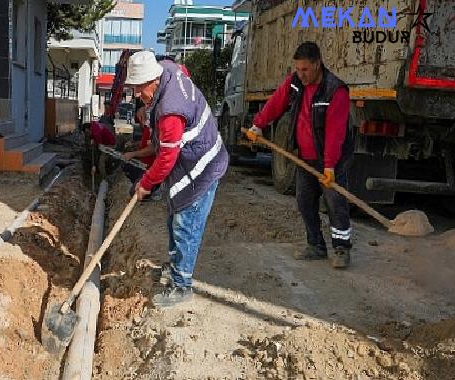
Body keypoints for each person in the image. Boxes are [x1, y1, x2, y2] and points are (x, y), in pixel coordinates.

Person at [125, 51, 229, 307]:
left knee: (185, 224)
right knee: (174, 216)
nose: (138, 94)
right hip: (189, 158)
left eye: (140, 88)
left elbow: (166, 158)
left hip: (201, 166)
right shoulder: (167, 70)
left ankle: (182, 285)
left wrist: (145, 185)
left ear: (153, 80)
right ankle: (174, 268)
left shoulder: (170, 110)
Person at [246, 41, 354, 269]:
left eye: (305, 69)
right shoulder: (295, 82)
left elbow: (335, 132)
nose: (300, 74)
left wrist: (330, 166)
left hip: (330, 159)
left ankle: (342, 248)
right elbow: (277, 102)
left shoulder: (336, 90)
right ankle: (316, 245)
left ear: (317, 64)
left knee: (335, 203)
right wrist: (258, 125)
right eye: (298, 69)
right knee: (305, 201)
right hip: (304, 157)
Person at [122, 106, 161, 200]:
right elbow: (145, 143)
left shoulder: (154, 127)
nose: (139, 123)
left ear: (142, 117)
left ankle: (153, 192)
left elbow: (152, 149)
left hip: (149, 168)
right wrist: (135, 144)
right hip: (143, 164)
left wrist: (133, 154)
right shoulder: (147, 128)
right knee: (126, 168)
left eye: (139, 119)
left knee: (134, 193)